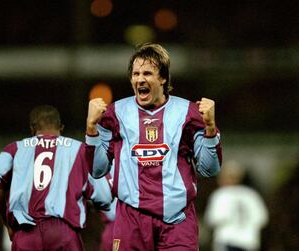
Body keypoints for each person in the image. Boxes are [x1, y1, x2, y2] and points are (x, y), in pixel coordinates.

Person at [85, 43, 223, 251]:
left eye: (148, 73)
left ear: (163, 78)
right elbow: (97, 169)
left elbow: (209, 169)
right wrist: (91, 129)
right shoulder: (115, 114)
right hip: (132, 220)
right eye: (136, 73)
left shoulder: (188, 112)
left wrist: (211, 128)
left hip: (177, 220)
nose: (140, 79)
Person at [0, 105, 113, 251]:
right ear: (61, 128)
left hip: (26, 234)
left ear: (32, 129)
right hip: (63, 233)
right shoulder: (80, 150)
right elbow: (105, 196)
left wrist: (7, 221)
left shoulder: (15, 149)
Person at [204, 160, 268, 251]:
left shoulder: (221, 195)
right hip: (249, 242)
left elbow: (212, 219)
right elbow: (262, 219)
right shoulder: (251, 195)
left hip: (227, 241)